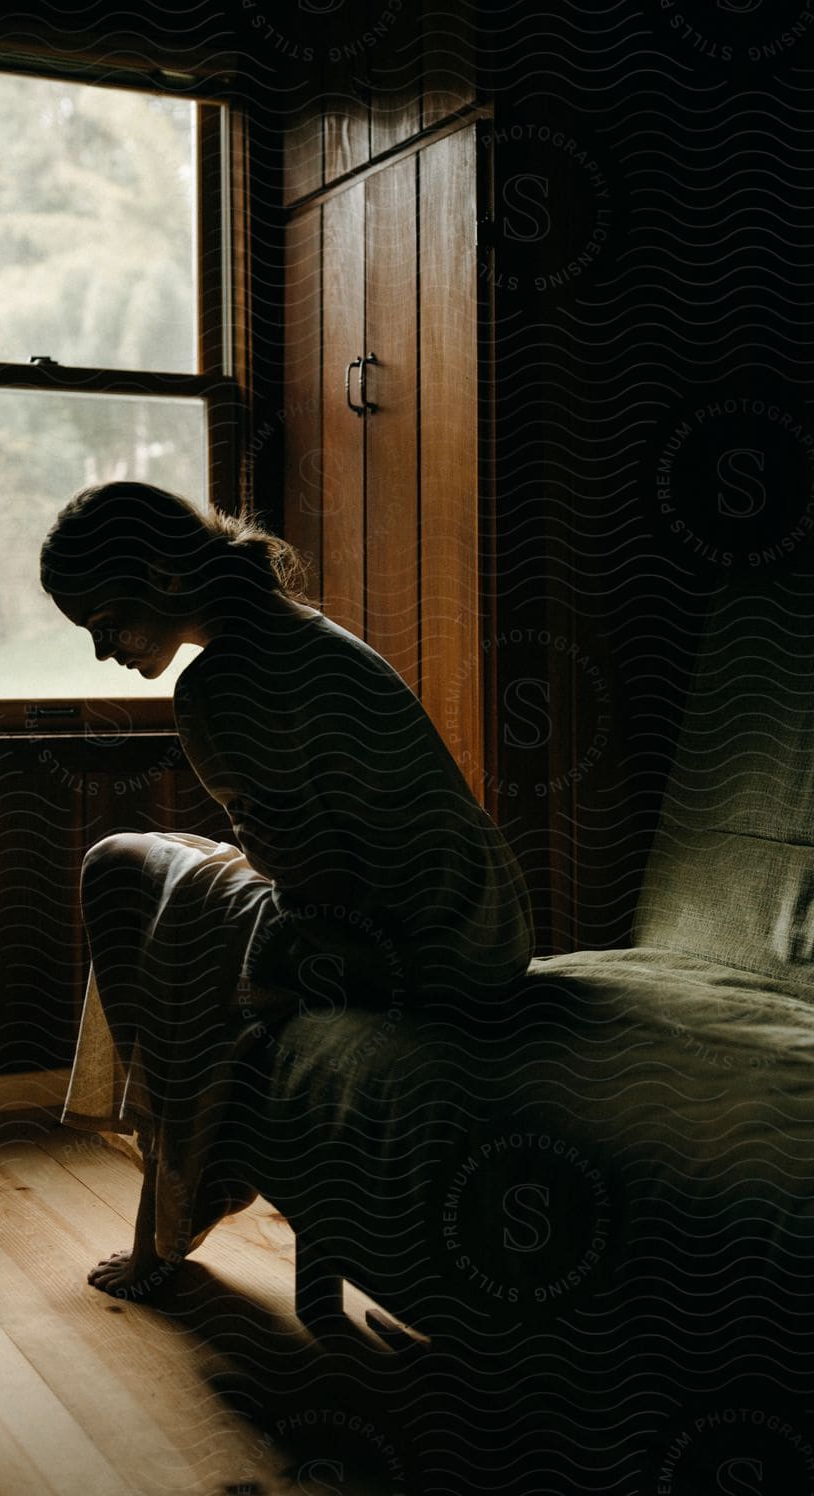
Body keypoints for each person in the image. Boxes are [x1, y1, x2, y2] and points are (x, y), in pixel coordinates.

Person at [40, 480, 535, 1302]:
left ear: (163, 576)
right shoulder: (302, 627)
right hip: (485, 927)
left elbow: (311, 881)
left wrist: (230, 928)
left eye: (103, 623)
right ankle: (170, 1197)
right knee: (166, 879)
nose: (103, 653)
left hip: (405, 947)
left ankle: (166, 1212)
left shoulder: (214, 688)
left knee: (118, 873)